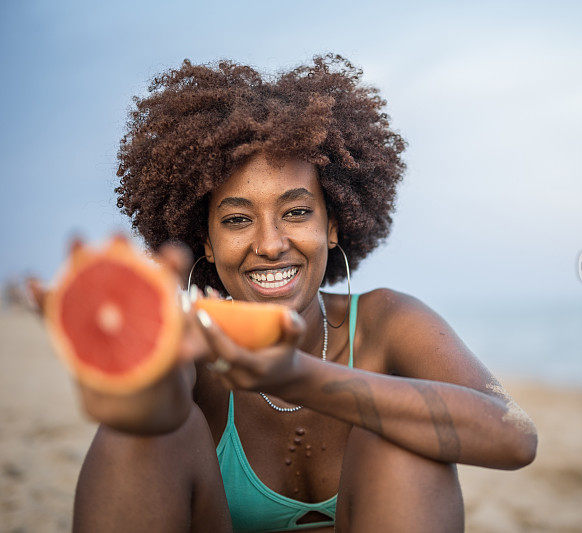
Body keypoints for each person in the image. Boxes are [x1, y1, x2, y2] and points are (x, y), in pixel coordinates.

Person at [28, 54, 537, 533]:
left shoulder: (386, 322)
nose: (270, 245)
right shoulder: (197, 345)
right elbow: (150, 420)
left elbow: (514, 436)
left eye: (296, 212)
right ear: (203, 240)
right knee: (140, 436)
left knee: (396, 435)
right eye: (237, 220)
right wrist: (125, 378)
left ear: (333, 225)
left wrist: (298, 377)